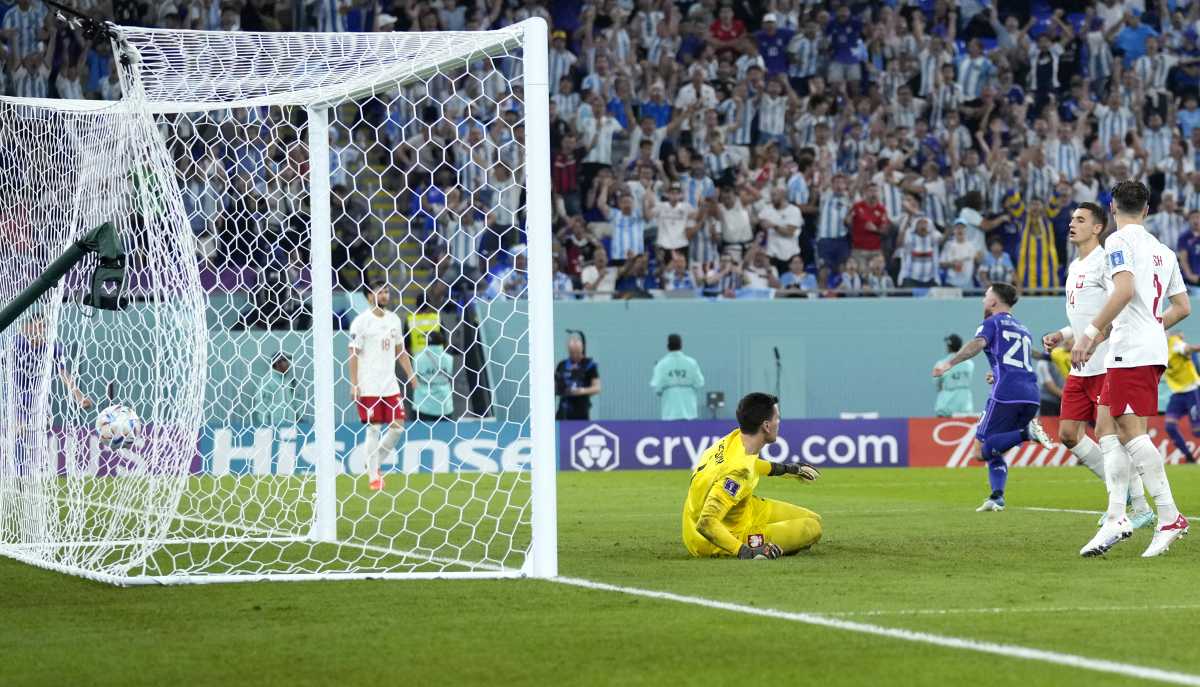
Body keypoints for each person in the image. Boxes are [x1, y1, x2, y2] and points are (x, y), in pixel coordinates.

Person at [1073, 181, 1191, 558]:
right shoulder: (1163, 250)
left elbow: (1122, 291)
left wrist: (1090, 333)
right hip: (1142, 347)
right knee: (1106, 428)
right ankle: (1115, 515)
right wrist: (1151, 328)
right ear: (1147, 209)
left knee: (1129, 431)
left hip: (1131, 352)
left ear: (1111, 207)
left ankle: (1169, 516)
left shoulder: (1118, 242)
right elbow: (1182, 306)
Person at [1042, 203, 1154, 529]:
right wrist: (1062, 334)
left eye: (1081, 220)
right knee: (1068, 434)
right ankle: (1127, 496)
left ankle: (1135, 506)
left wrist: (1091, 340)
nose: (1072, 224)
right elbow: (1082, 316)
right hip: (1081, 366)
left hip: (1106, 363)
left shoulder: (1105, 261)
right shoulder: (1075, 267)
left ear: (1097, 227)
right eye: (1072, 219)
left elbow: (1117, 308)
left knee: (1112, 436)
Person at [933, 283, 1055, 512]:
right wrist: (996, 373)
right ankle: (997, 496)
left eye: (986, 296)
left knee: (979, 451)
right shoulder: (1023, 328)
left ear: (994, 302)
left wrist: (949, 363)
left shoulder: (992, 323)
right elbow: (1021, 360)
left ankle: (1026, 433)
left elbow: (977, 345)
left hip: (1006, 393)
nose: (982, 300)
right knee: (996, 449)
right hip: (1030, 394)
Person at [681, 392, 822, 559]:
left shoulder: (735, 439)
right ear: (766, 426)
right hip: (717, 537)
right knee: (812, 529)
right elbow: (706, 523)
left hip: (741, 510)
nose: (779, 422)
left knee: (814, 518)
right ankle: (755, 545)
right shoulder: (737, 473)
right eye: (777, 418)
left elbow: (752, 465)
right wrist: (746, 552)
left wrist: (789, 469)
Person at [348, 281, 414, 491]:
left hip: (390, 383)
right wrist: (354, 383)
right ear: (369, 296)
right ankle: (373, 477)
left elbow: (400, 351)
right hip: (369, 384)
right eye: (380, 292)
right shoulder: (361, 322)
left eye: (387, 291)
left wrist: (411, 375)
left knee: (397, 427)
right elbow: (353, 354)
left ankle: (373, 463)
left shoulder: (394, 319)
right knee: (374, 427)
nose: (385, 295)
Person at [1162, 331, 1200, 463]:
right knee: (1170, 426)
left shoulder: (1175, 344)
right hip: (1177, 394)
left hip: (1192, 391)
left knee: (1197, 431)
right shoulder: (1157, 351)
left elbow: (1188, 348)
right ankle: (1189, 458)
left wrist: (1195, 348)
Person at [650, 334, 705, 420]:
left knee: (670, 433)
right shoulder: (691, 363)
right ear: (681, 345)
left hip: (669, 411)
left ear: (668, 346)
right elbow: (700, 383)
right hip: (689, 411)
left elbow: (657, 388)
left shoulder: (661, 365)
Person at [412, 330, 455, 422]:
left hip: (423, 406)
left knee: (422, 435)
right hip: (445, 406)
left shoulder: (417, 358)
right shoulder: (449, 359)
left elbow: (414, 379)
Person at [555, 335, 600, 420]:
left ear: (582, 349)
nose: (575, 355)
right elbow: (554, 385)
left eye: (577, 352)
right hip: (563, 412)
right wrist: (561, 389)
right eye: (572, 352)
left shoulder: (589, 365)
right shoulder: (562, 365)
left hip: (581, 412)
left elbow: (597, 388)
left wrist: (581, 391)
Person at [253, 353, 303, 424]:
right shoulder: (268, 380)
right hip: (274, 424)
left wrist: (299, 418)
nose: (288, 364)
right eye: (285, 361)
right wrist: (264, 425)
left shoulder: (288, 380)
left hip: (291, 424)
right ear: (277, 363)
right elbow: (260, 403)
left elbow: (294, 402)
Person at [934, 334, 974, 417]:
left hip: (946, 406)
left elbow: (938, 385)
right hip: (964, 405)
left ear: (949, 347)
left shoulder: (941, 364)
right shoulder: (969, 364)